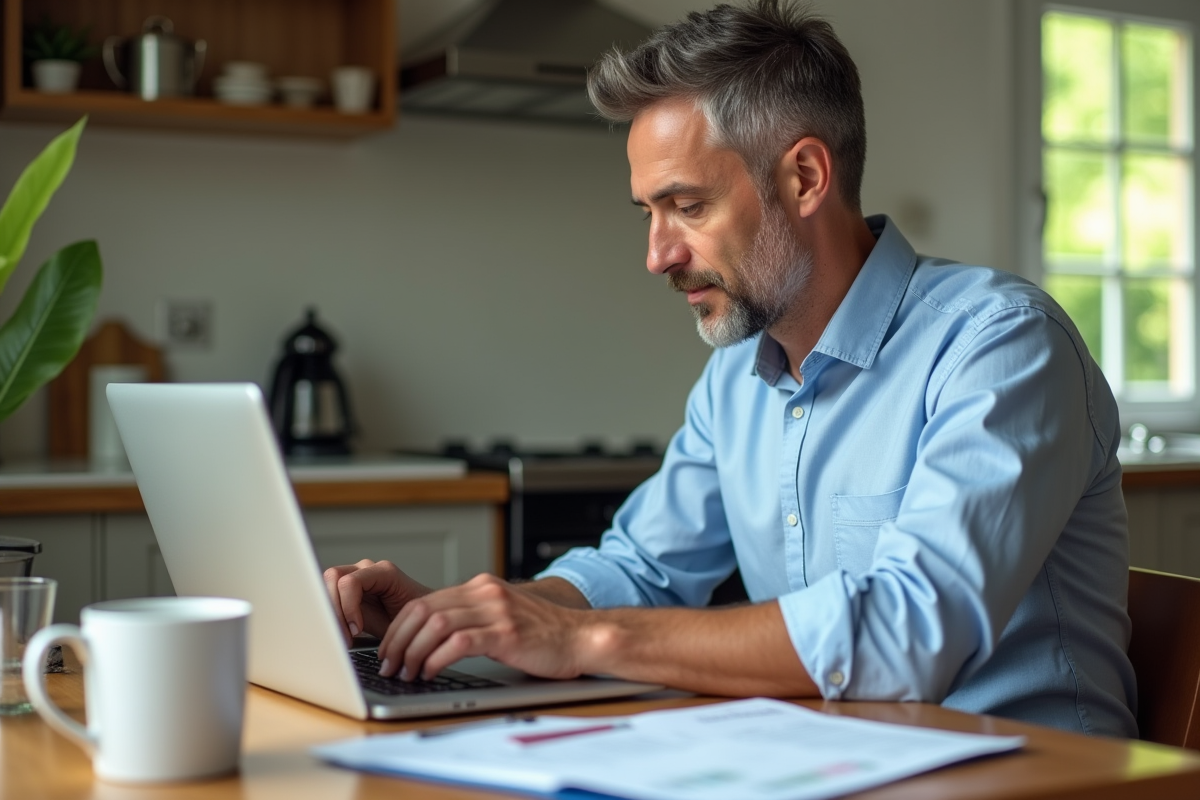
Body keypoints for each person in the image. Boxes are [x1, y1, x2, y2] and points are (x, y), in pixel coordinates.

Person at [325, 0, 1137, 738]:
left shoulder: (999, 346)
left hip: (1036, 779)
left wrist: (582, 637)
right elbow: (642, 569)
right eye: (650, 213)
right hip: (832, 764)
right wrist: (458, 618)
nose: (657, 256)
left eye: (688, 206)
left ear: (805, 177)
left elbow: (908, 632)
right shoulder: (737, 377)